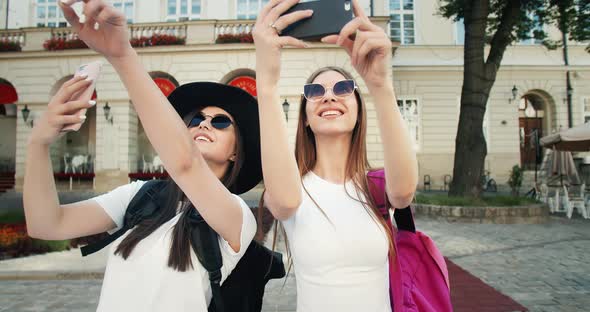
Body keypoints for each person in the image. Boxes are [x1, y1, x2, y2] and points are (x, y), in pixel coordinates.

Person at [24, 1, 264, 310]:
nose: (204, 123)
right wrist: (37, 145)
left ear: (235, 152)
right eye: (195, 119)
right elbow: (47, 224)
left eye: (220, 122)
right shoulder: (140, 197)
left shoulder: (238, 217)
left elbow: (184, 163)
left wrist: (122, 56)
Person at [252, 0, 419, 311]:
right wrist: (267, 82)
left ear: (358, 109)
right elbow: (285, 202)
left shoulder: (378, 186)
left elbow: (405, 191)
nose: (328, 95)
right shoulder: (290, 186)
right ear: (304, 117)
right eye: (315, 92)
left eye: (343, 88)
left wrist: (380, 84)